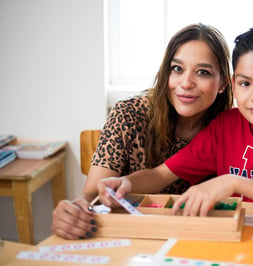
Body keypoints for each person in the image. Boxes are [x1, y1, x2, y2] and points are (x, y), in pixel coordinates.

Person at [97, 27, 253, 225]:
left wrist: (234, 182)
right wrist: (127, 183)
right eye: (246, 84)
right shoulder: (225, 127)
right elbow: (160, 175)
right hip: (231, 241)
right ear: (233, 85)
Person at [52, 23, 233, 239]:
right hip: (132, 239)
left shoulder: (231, 129)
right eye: (177, 69)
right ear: (165, 72)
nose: (186, 83)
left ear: (223, 82)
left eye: (202, 72)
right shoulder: (128, 113)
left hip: (201, 239)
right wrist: (73, 212)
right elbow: (91, 195)